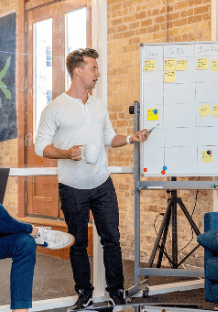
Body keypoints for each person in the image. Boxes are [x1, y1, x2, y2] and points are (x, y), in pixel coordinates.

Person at [34, 48, 150, 310]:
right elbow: (40, 146)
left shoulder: (98, 106)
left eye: (97, 68)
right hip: (72, 187)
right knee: (78, 242)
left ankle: (116, 291)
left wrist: (131, 138)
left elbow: (109, 138)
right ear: (78, 70)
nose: (98, 73)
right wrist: (66, 153)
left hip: (102, 184)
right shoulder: (55, 108)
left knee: (112, 239)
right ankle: (84, 293)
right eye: (93, 68)